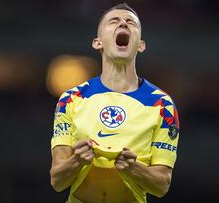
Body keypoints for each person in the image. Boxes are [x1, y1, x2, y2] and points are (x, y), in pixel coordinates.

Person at [50, 3, 180, 203]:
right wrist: (77, 160)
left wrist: (132, 168)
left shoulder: (162, 105)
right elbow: (57, 180)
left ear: (141, 45)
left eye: (130, 23)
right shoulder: (71, 99)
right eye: (114, 21)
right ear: (98, 42)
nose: (123, 24)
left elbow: (162, 185)